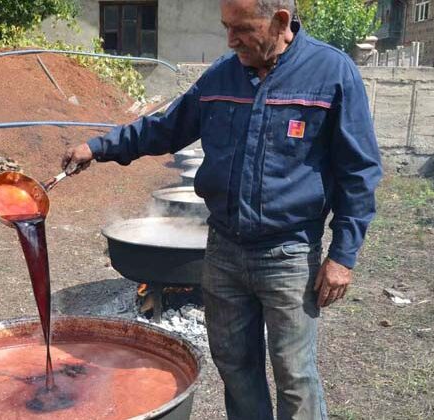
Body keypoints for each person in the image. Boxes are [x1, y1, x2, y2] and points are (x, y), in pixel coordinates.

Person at [62, 0, 382, 418]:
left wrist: (343, 256)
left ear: (280, 22)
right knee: (235, 366)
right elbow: (164, 128)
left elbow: (359, 171)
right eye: (225, 27)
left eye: (242, 29)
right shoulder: (221, 76)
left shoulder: (332, 73)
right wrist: (98, 147)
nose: (230, 40)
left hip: (288, 254)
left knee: (295, 374)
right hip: (224, 251)